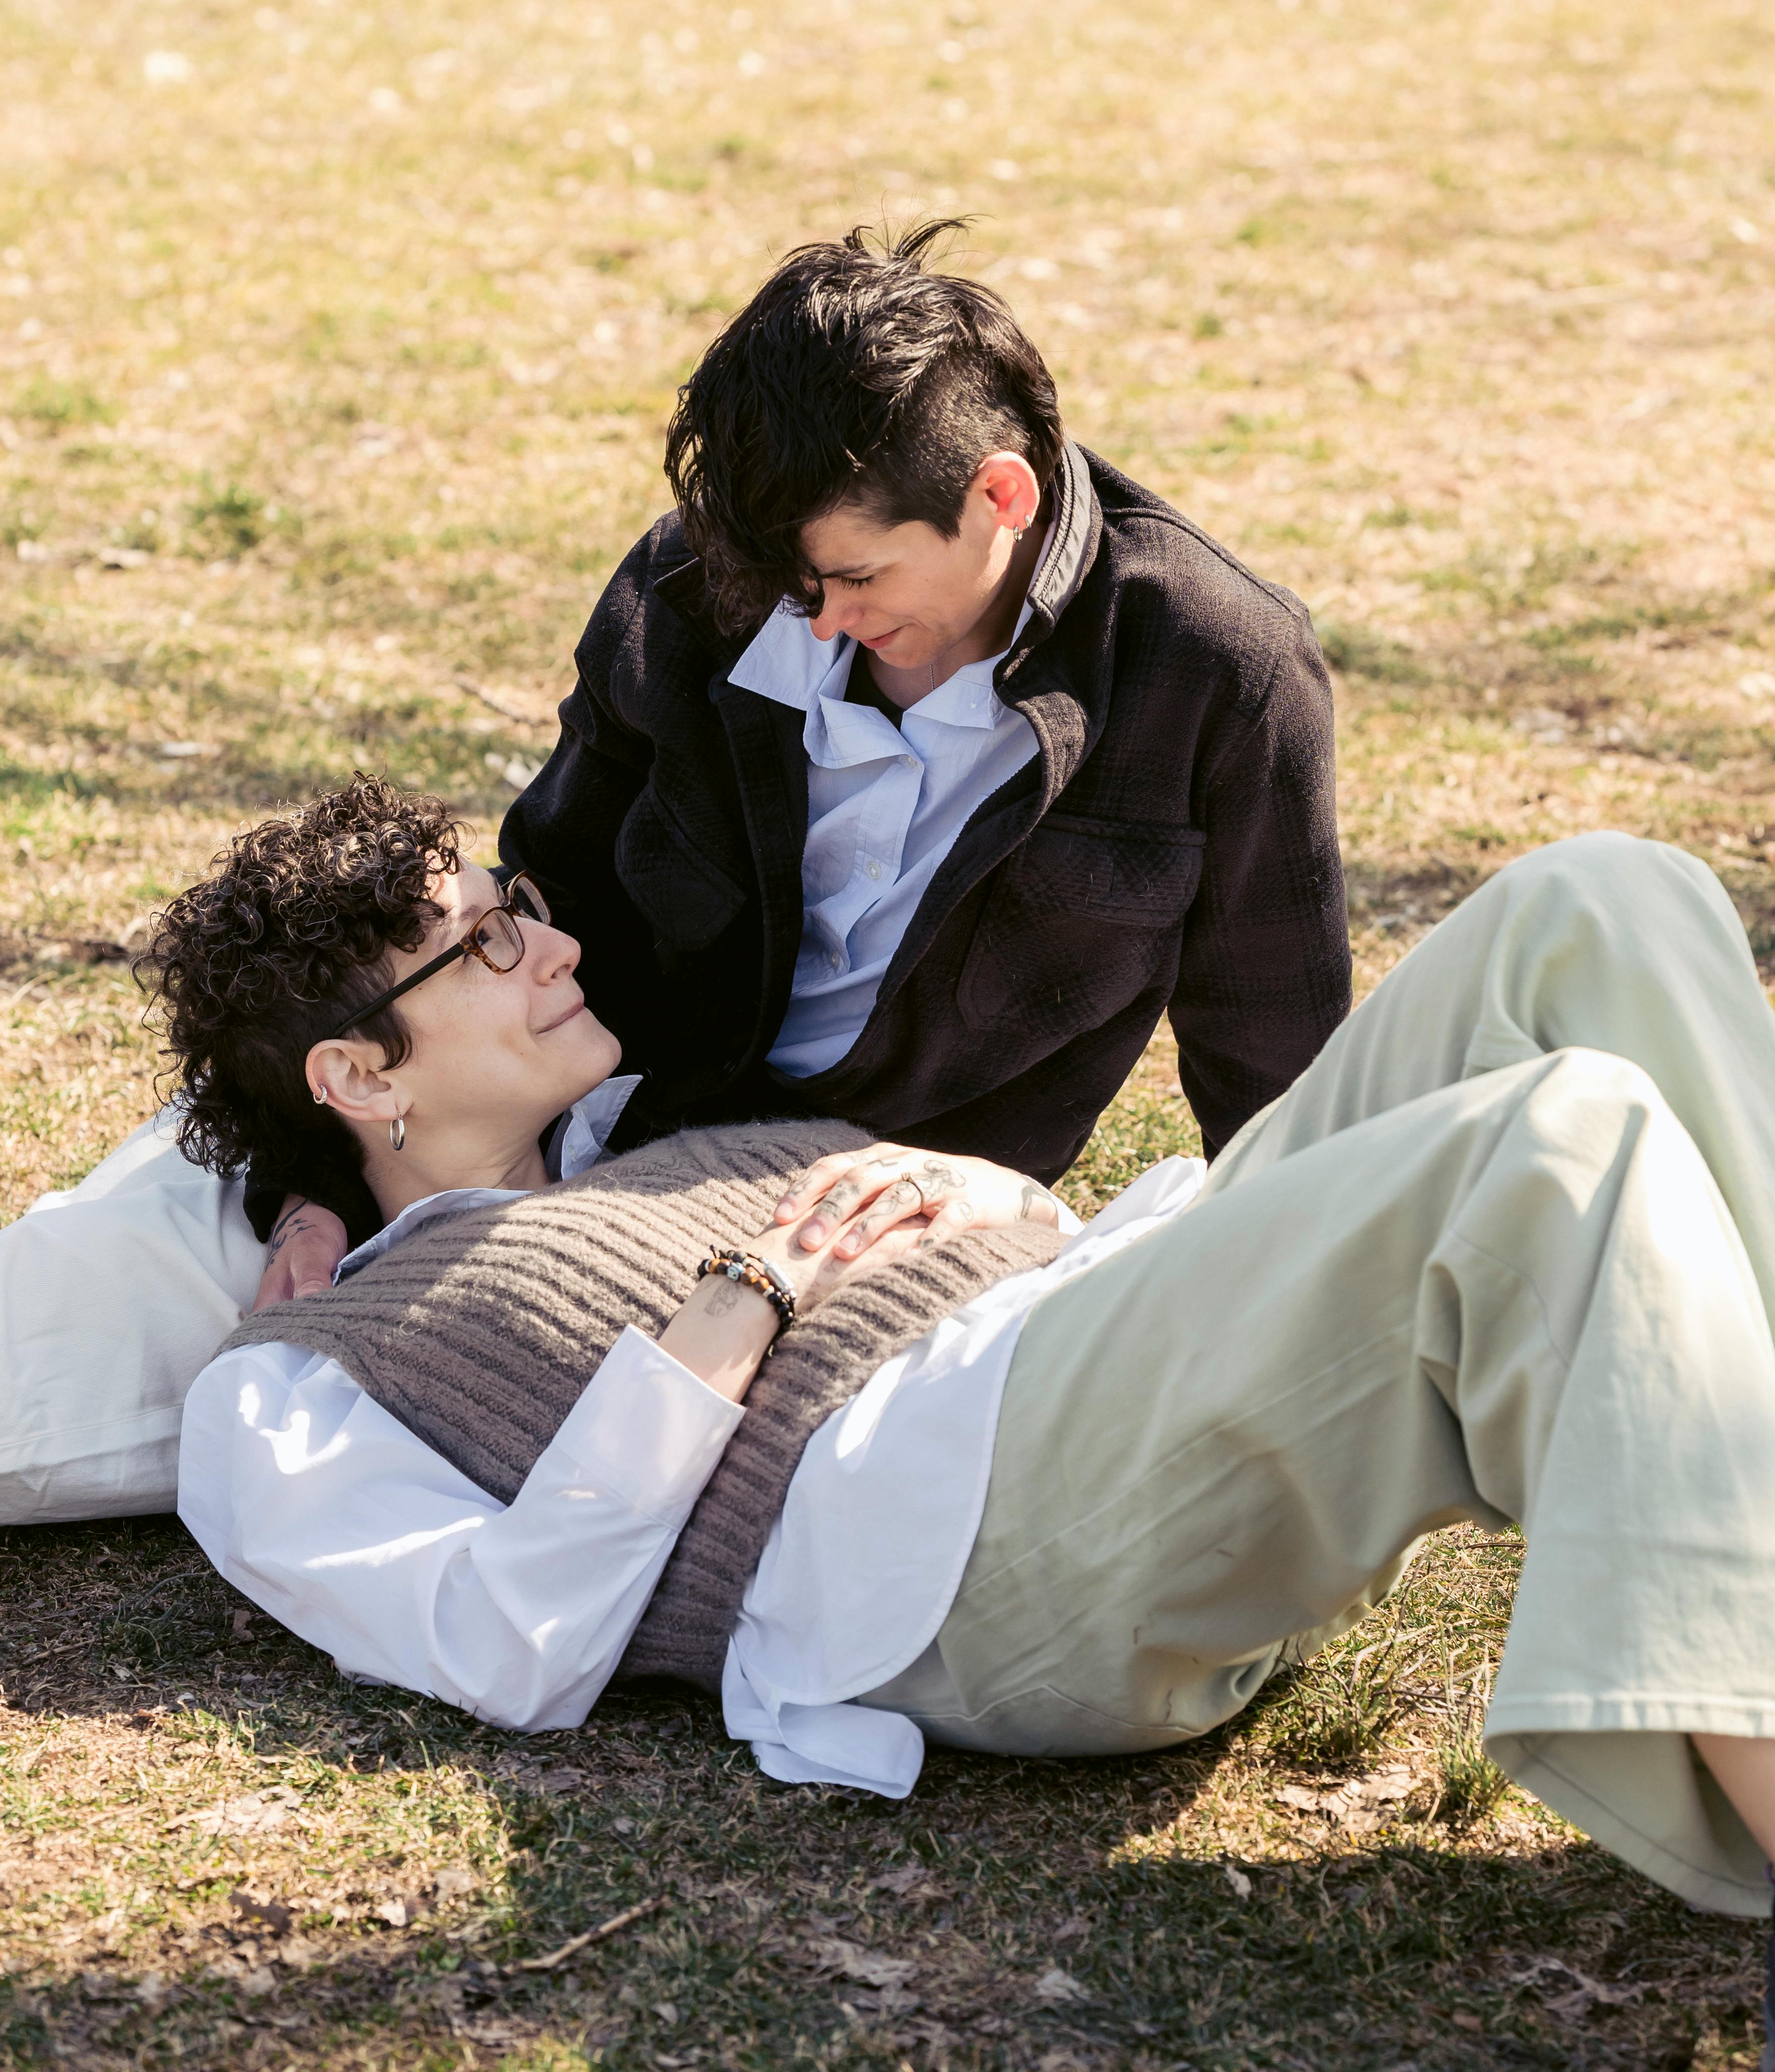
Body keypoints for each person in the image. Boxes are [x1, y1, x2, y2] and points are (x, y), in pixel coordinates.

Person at [167, 778, 1775, 1936]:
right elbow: (507, 1641)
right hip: (956, 1546)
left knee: (1605, 902)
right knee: (1560, 1145)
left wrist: (987, 1192)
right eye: (484, 948)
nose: (551, 947)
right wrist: (743, 1302)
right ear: (356, 1076)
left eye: (518, 913)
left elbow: (1002, 1251)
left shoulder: (650, 1137)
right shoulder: (292, 1384)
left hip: (1081, 1344)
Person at [0, 219, 1349, 1522]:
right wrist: (315, 1180)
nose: (821, 626)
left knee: (346, 1408)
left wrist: (1294, 1373)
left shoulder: (1220, 675)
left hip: (858, 1236)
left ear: (1002, 496)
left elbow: (1277, 1074)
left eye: (856, 578)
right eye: (783, 584)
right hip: (559, 1142)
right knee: (145, 1260)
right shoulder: (701, 591)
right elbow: (548, 902)